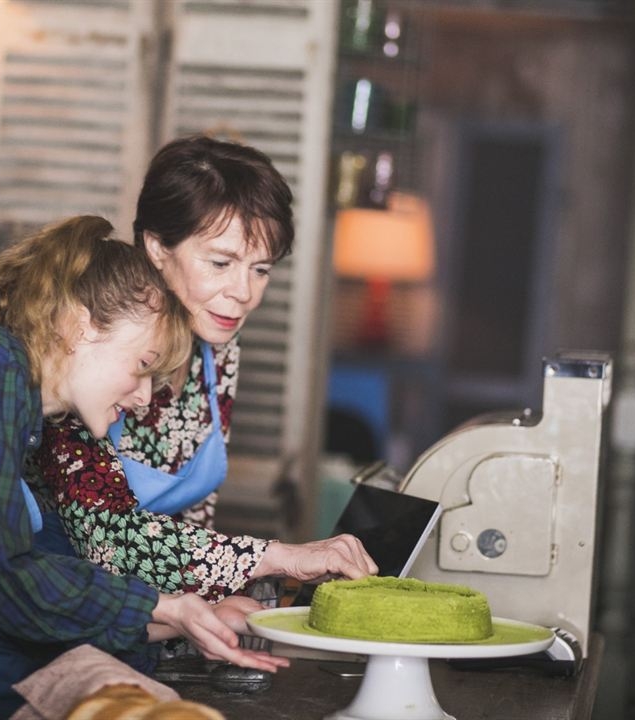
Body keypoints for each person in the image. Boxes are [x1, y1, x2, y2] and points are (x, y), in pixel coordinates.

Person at [0, 215, 288, 720]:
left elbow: (19, 574)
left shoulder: (12, 396)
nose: (144, 397)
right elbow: (1, 575)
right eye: (143, 365)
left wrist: (182, 615)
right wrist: (164, 607)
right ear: (83, 327)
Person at [32, 135, 378, 602]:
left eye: (261, 269)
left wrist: (214, 601)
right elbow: (106, 534)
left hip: (148, 609)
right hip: (60, 601)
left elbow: (195, 514)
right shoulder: (98, 333)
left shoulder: (219, 346)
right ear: (157, 247)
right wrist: (275, 556)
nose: (244, 293)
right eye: (220, 262)